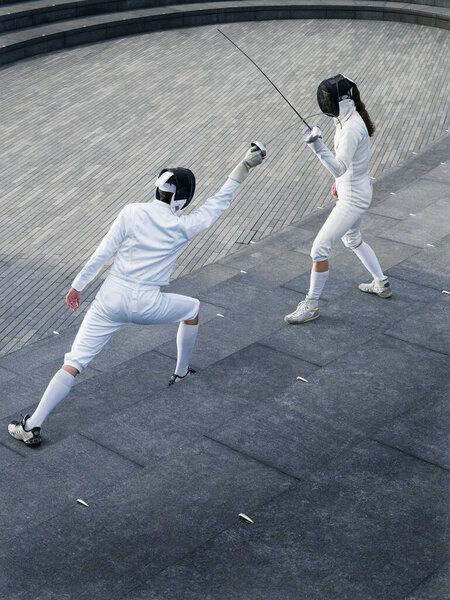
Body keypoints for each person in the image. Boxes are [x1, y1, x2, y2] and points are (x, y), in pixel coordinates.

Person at [8, 143, 266, 446]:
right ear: (182, 199)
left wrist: (77, 286)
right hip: (148, 304)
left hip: (109, 300)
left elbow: (102, 253)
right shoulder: (184, 226)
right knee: (192, 309)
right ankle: (181, 373)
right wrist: (245, 166)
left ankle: (33, 424)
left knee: (74, 362)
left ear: (157, 189)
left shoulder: (130, 212)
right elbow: (219, 202)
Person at [285, 74, 391, 325]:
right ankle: (381, 283)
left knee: (318, 249)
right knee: (352, 238)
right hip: (354, 189)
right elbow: (349, 168)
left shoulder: (353, 127)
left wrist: (316, 145)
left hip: (354, 198)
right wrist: (339, 185)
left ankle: (311, 305)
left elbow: (340, 167)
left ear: (339, 101)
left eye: (328, 99)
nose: (325, 103)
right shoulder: (345, 120)